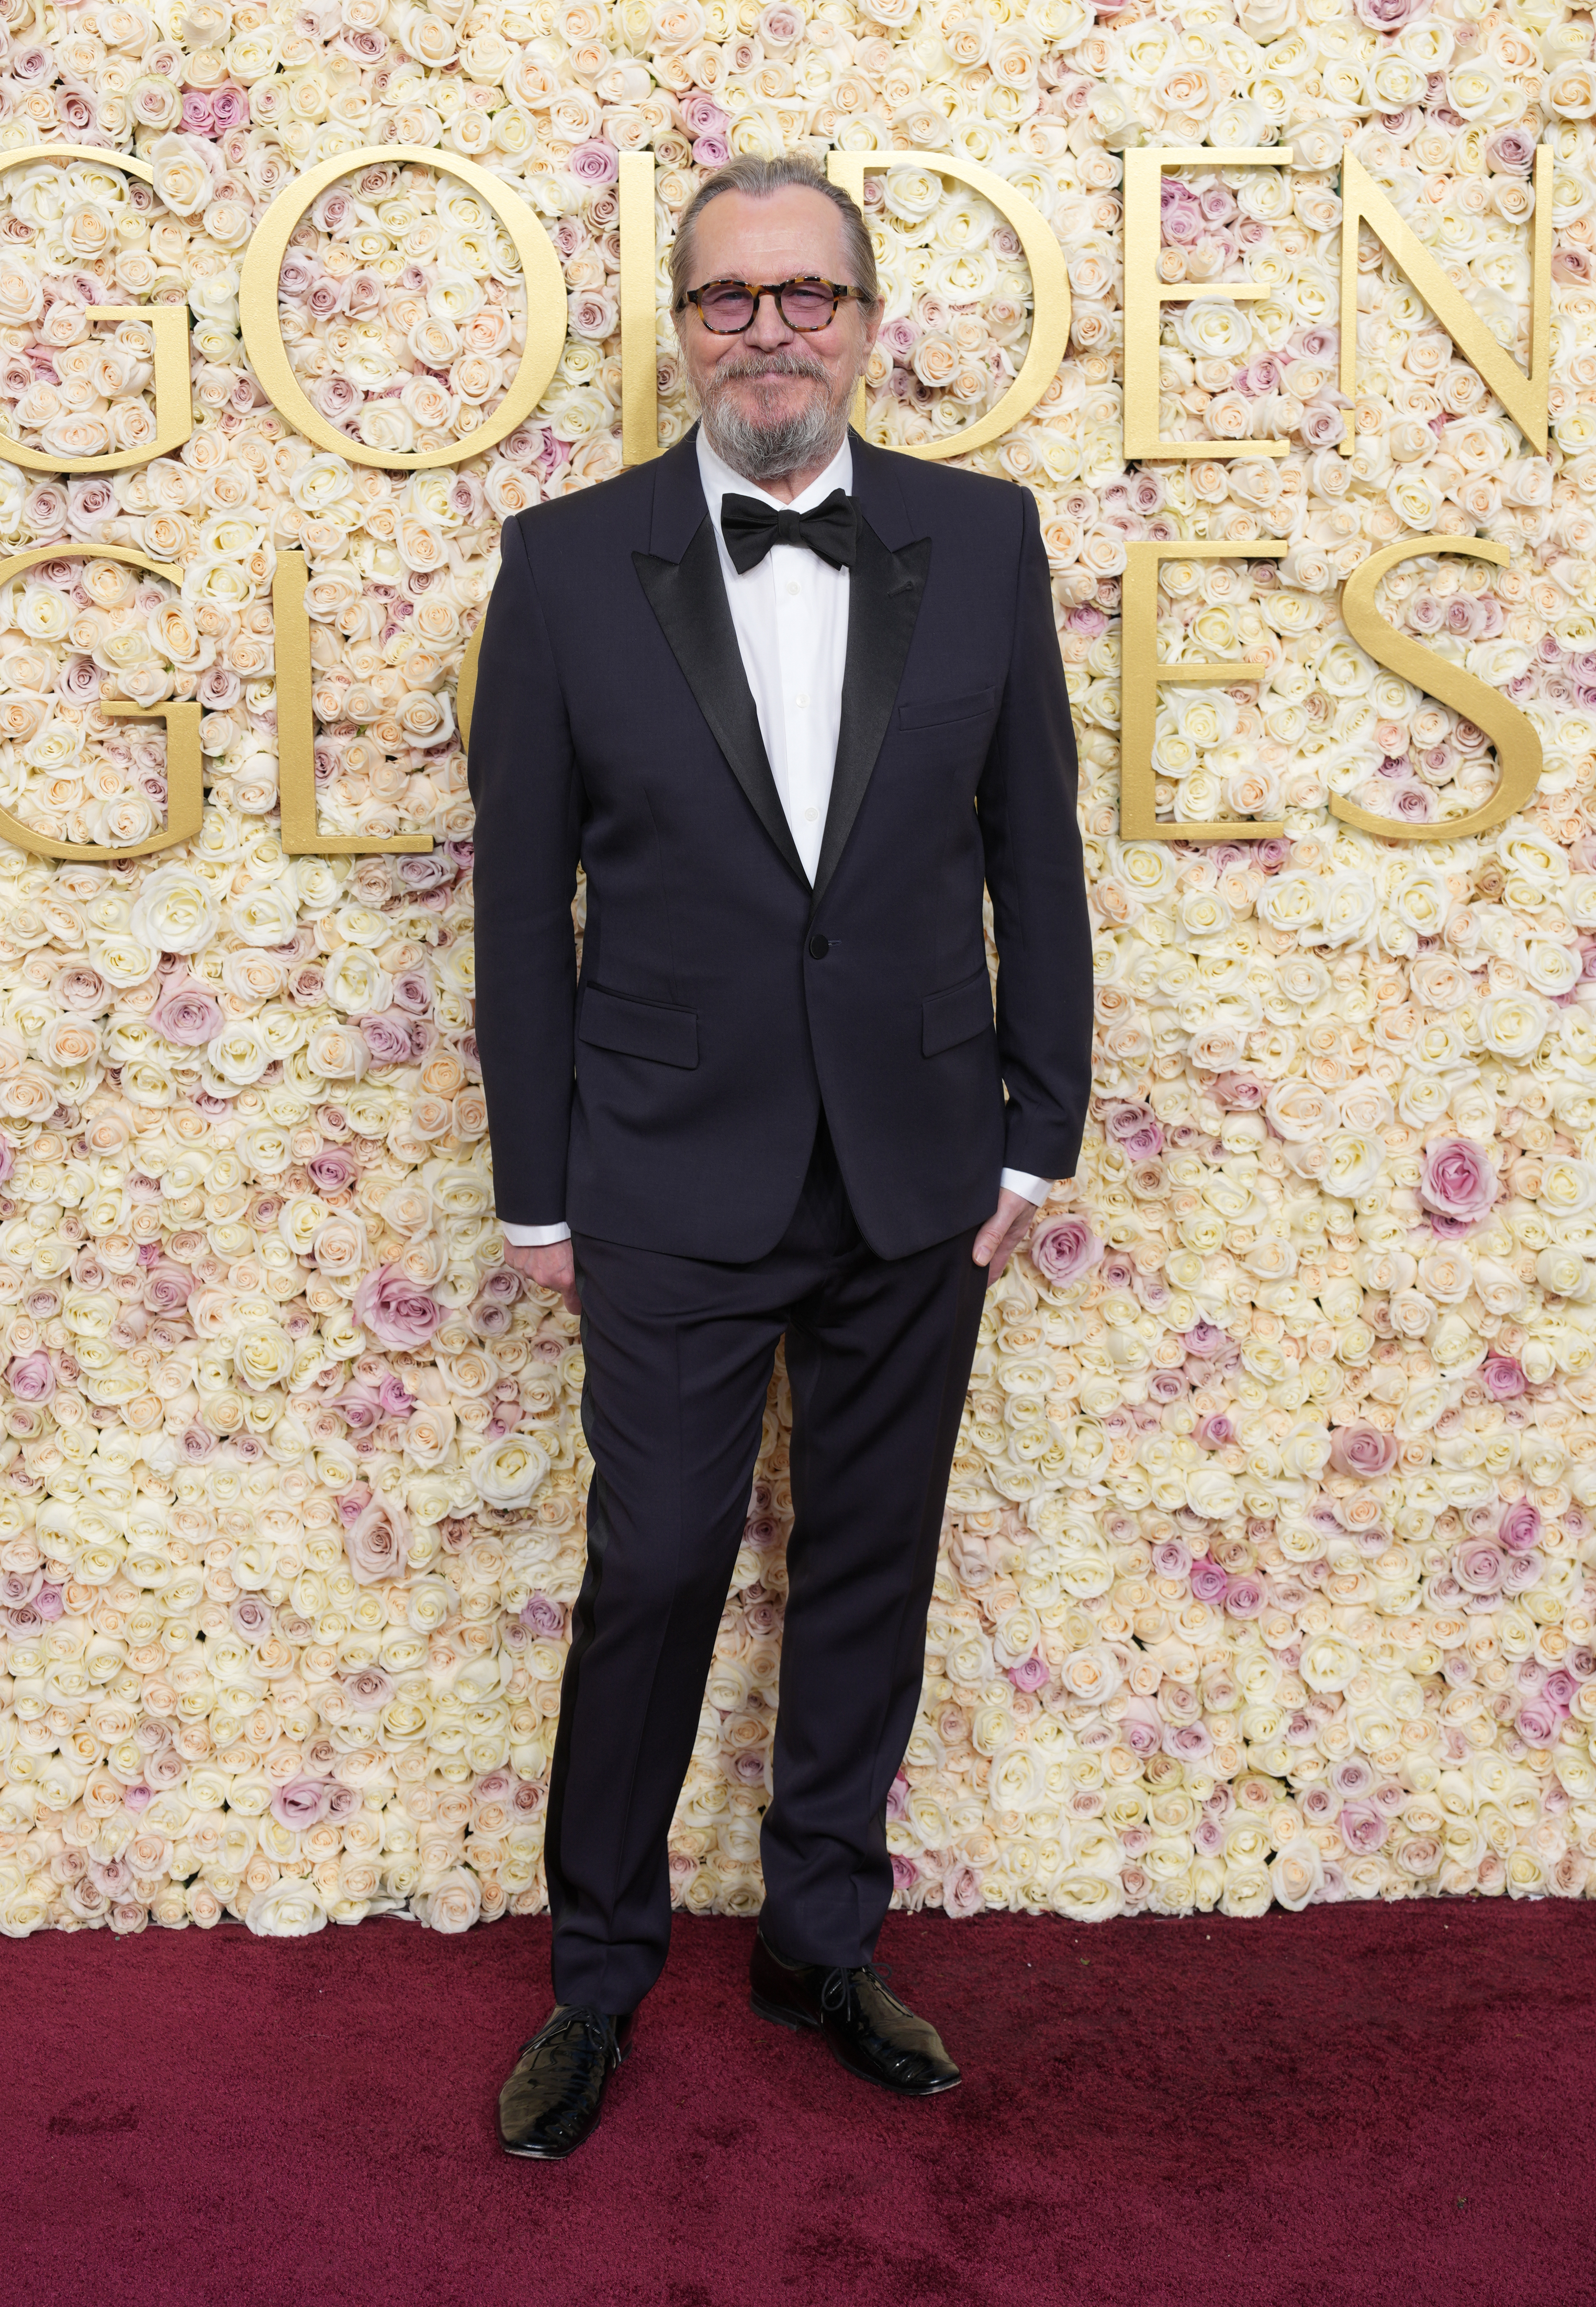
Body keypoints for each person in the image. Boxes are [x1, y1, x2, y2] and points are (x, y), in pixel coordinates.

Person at [469, 152, 1092, 2160]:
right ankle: (596, 1976)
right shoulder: (566, 564)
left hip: (920, 1165)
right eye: (731, 299)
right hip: (661, 1170)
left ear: (867, 318)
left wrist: (1039, 1132)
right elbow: (517, 909)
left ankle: (822, 1939)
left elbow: (1037, 858)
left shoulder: (985, 541)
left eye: (806, 295)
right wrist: (538, 1185)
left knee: (870, 1567)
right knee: (650, 1567)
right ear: (683, 329)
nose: (771, 332)